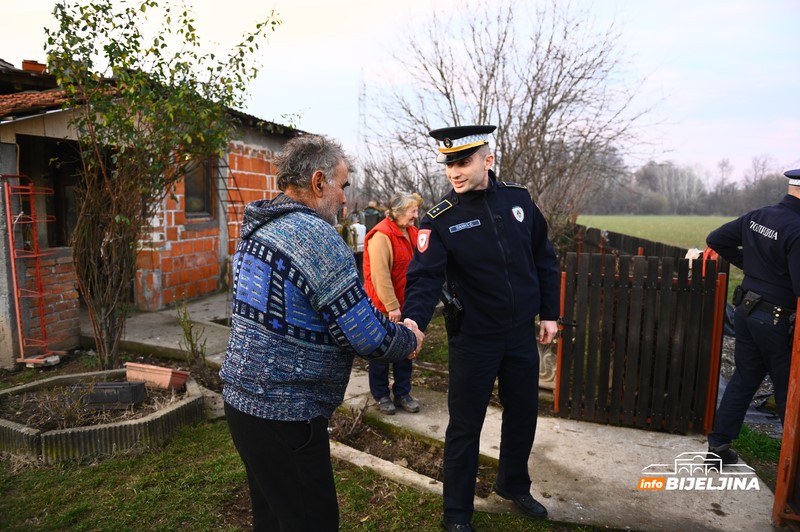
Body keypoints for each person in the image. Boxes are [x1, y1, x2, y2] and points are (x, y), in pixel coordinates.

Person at [219, 134, 424, 532]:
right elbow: (365, 334)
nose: (346, 199)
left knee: (274, 519)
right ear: (317, 183)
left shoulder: (257, 230)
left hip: (243, 406)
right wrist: (408, 339)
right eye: (343, 186)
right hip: (285, 414)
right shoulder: (315, 238)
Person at [402, 124, 560, 531]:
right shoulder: (440, 219)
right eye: (448, 163)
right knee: (465, 428)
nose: (454, 171)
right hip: (474, 339)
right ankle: (456, 514)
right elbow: (423, 279)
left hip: (520, 334)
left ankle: (513, 484)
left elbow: (544, 258)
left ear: (487, 160)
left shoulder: (518, 200)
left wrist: (549, 313)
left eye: (463, 162)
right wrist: (413, 322)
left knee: (524, 414)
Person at [705, 168, 800, 465]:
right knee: (789, 394)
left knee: (744, 379)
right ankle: (791, 473)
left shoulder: (758, 216)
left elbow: (715, 239)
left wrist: (754, 269)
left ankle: (718, 448)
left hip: (746, 311)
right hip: (776, 320)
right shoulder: (798, 229)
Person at [363, 192, 421, 415]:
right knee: (382, 352)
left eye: (416, 210)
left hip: (406, 303)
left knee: (406, 348)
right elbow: (380, 275)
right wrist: (391, 306)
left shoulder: (411, 232)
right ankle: (381, 395)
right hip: (384, 307)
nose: (416, 215)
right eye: (412, 211)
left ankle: (402, 392)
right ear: (397, 212)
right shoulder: (382, 236)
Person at [351, 211, 367, 281]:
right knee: (361, 265)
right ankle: (362, 279)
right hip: (362, 248)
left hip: (354, 248)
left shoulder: (351, 227)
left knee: (355, 264)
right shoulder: (363, 227)